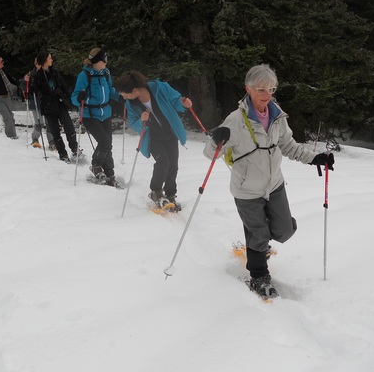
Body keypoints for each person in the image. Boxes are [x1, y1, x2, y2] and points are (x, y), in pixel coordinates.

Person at [204, 64, 335, 300]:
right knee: (259, 234)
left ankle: (258, 242)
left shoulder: (277, 116)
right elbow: (210, 153)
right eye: (261, 89)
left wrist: (316, 158)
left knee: (284, 230)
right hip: (246, 190)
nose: (266, 95)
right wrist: (217, 140)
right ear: (248, 89)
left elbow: (289, 147)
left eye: (271, 89)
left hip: (274, 185)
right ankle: (258, 276)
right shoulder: (235, 120)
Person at [114, 71, 192, 211]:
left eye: (124, 94)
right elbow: (134, 123)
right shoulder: (132, 104)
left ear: (134, 90)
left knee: (173, 165)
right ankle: (155, 191)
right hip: (153, 138)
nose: (123, 97)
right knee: (163, 162)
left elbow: (176, 100)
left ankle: (170, 194)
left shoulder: (160, 88)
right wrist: (141, 120)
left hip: (170, 133)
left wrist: (184, 104)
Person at [71, 47, 121, 186]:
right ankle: (96, 165)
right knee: (105, 142)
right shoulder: (84, 75)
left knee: (107, 144)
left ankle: (110, 173)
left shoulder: (106, 73)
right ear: (97, 61)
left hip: (105, 113)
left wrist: (119, 97)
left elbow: (110, 90)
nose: (106, 62)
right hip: (90, 115)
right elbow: (74, 97)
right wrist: (81, 97)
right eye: (104, 59)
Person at [31, 52, 79, 162]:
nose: (51, 59)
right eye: (49, 58)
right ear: (44, 60)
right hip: (48, 107)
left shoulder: (55, 73)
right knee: (55, 131)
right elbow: (34, 92)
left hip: (60, 103)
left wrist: (68, 98)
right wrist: (33, 89)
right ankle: (62, 153)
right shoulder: (37, 76)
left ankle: (75, 148)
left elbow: (63, 86)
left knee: (69, 127)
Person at [0, 54, 25, 139]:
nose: (3, 63)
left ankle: (12, 134)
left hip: (7, 96)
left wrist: (19, 83)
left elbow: (10, 79)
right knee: (7, 117)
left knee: (11, 116)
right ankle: (11, 136)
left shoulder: (3, 70)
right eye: (1, 61)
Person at [25, 59, 55, 150]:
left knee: (49, 122)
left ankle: (51, 141)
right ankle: (35, 138)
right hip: (35, 103)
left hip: (46, 102)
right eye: (38, 64)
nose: (40, 66)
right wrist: (25, 81)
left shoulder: (47, 74)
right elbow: (23, 87)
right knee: (39, 123)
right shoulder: (30, 75)